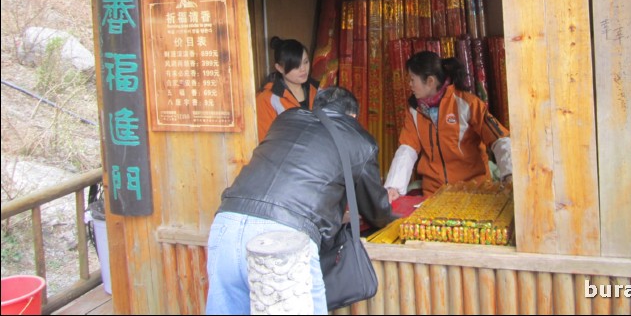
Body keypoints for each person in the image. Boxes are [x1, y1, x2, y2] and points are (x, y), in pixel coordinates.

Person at [205, 86, 395, 315]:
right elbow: (376, 210)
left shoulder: (286, 119)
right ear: (352, 116)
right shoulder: (359, 140)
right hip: (283, 235)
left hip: (227, 222)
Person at [384, 51, 512, 201]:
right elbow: (407, 148)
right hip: (434, 194)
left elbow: (499, 139)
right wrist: (394, 187)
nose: (410, 85)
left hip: (475, 192)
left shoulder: (467, 104)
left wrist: (510, 175)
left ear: (430, 81)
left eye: (413, 80)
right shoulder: (414, 110)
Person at [256, 36, 319, 140]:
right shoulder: (266, 99)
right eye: (295, 66)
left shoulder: (316, 90)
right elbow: (265, 143)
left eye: (306, 62)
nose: (303, 69)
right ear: (279, 68)